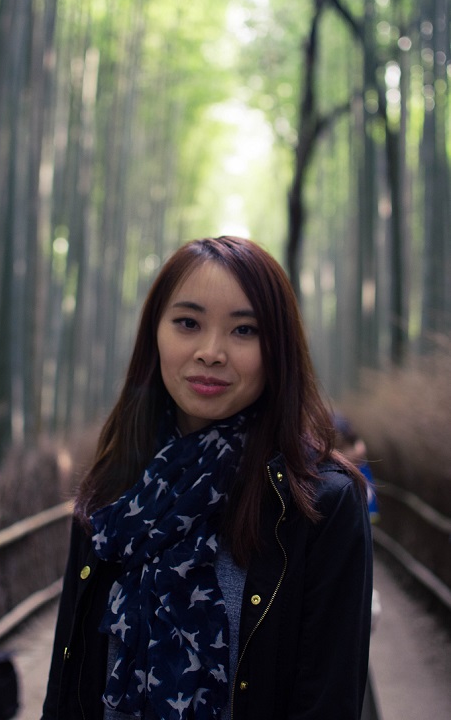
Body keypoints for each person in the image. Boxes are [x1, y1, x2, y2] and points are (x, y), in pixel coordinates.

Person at [41, 236, 373, 720]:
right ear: (154, 334)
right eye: (188, 323)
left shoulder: (322, 503)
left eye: (244, 330)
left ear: (277, 349)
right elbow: (65, 691)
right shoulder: (114, 495)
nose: (211, 352)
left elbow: (327, 703)